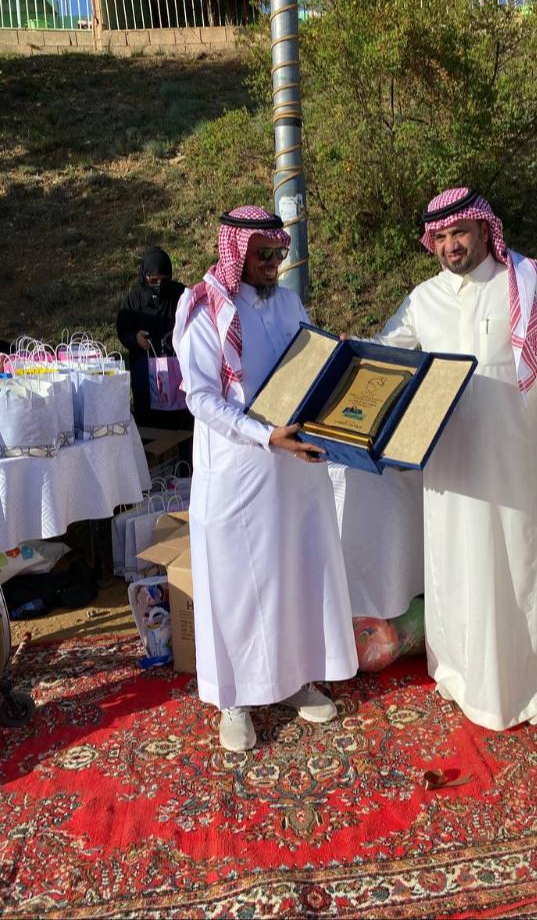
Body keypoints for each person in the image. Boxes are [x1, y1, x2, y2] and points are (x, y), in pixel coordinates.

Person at [370, 187, 537, 730]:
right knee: (455, 565)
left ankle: (529, 683)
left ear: (485, 229)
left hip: (513, 467)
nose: (450, 245)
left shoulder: (525, 283)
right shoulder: (423, 299)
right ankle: (460, 675)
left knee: (520, 569)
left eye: (458, 232)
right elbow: (384, 354)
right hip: (450, 467)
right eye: (439, 237)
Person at [172, 206, 357, 752]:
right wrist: (263, 435)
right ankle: (235, 700)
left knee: (294, 575)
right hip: (238, 472)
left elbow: (305, 370)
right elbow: (200, 397)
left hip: (294, 470)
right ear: (235, 251)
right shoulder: (203, 307)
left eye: (278, 252)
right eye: (262, 254)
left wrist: (339, 359)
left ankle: (294, 680)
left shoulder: (289, 302)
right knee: (237, 587)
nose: (273, 262)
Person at [116, 247, 187, 427]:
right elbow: (123, 329)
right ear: (145, 276)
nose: (159, 285)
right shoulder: (134, 301)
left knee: (181, 422)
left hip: (177, 370)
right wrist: (135, 338)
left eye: (164, 280)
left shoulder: (181, 295)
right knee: (149, 423)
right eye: (154, 280)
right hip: (145, 370)